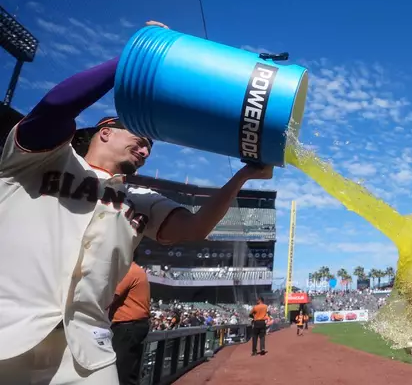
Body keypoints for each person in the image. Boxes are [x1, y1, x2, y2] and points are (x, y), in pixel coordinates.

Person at [0, 20, 273, 384]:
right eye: (140, 138)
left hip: (85, 353)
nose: (146, 149)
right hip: (8, 332)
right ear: (105, 131)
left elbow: (194, 228)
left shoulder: (140, 199)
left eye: (150, 146)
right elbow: (54, 107)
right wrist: (132, 59)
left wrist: (243, 176)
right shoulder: (43, 160)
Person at [108, 257, 151, 385]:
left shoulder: (128, 270)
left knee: (122, 372)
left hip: (127, 325)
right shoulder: (136, 269)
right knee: (128, 370)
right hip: (134, 325)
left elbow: (109, 298)